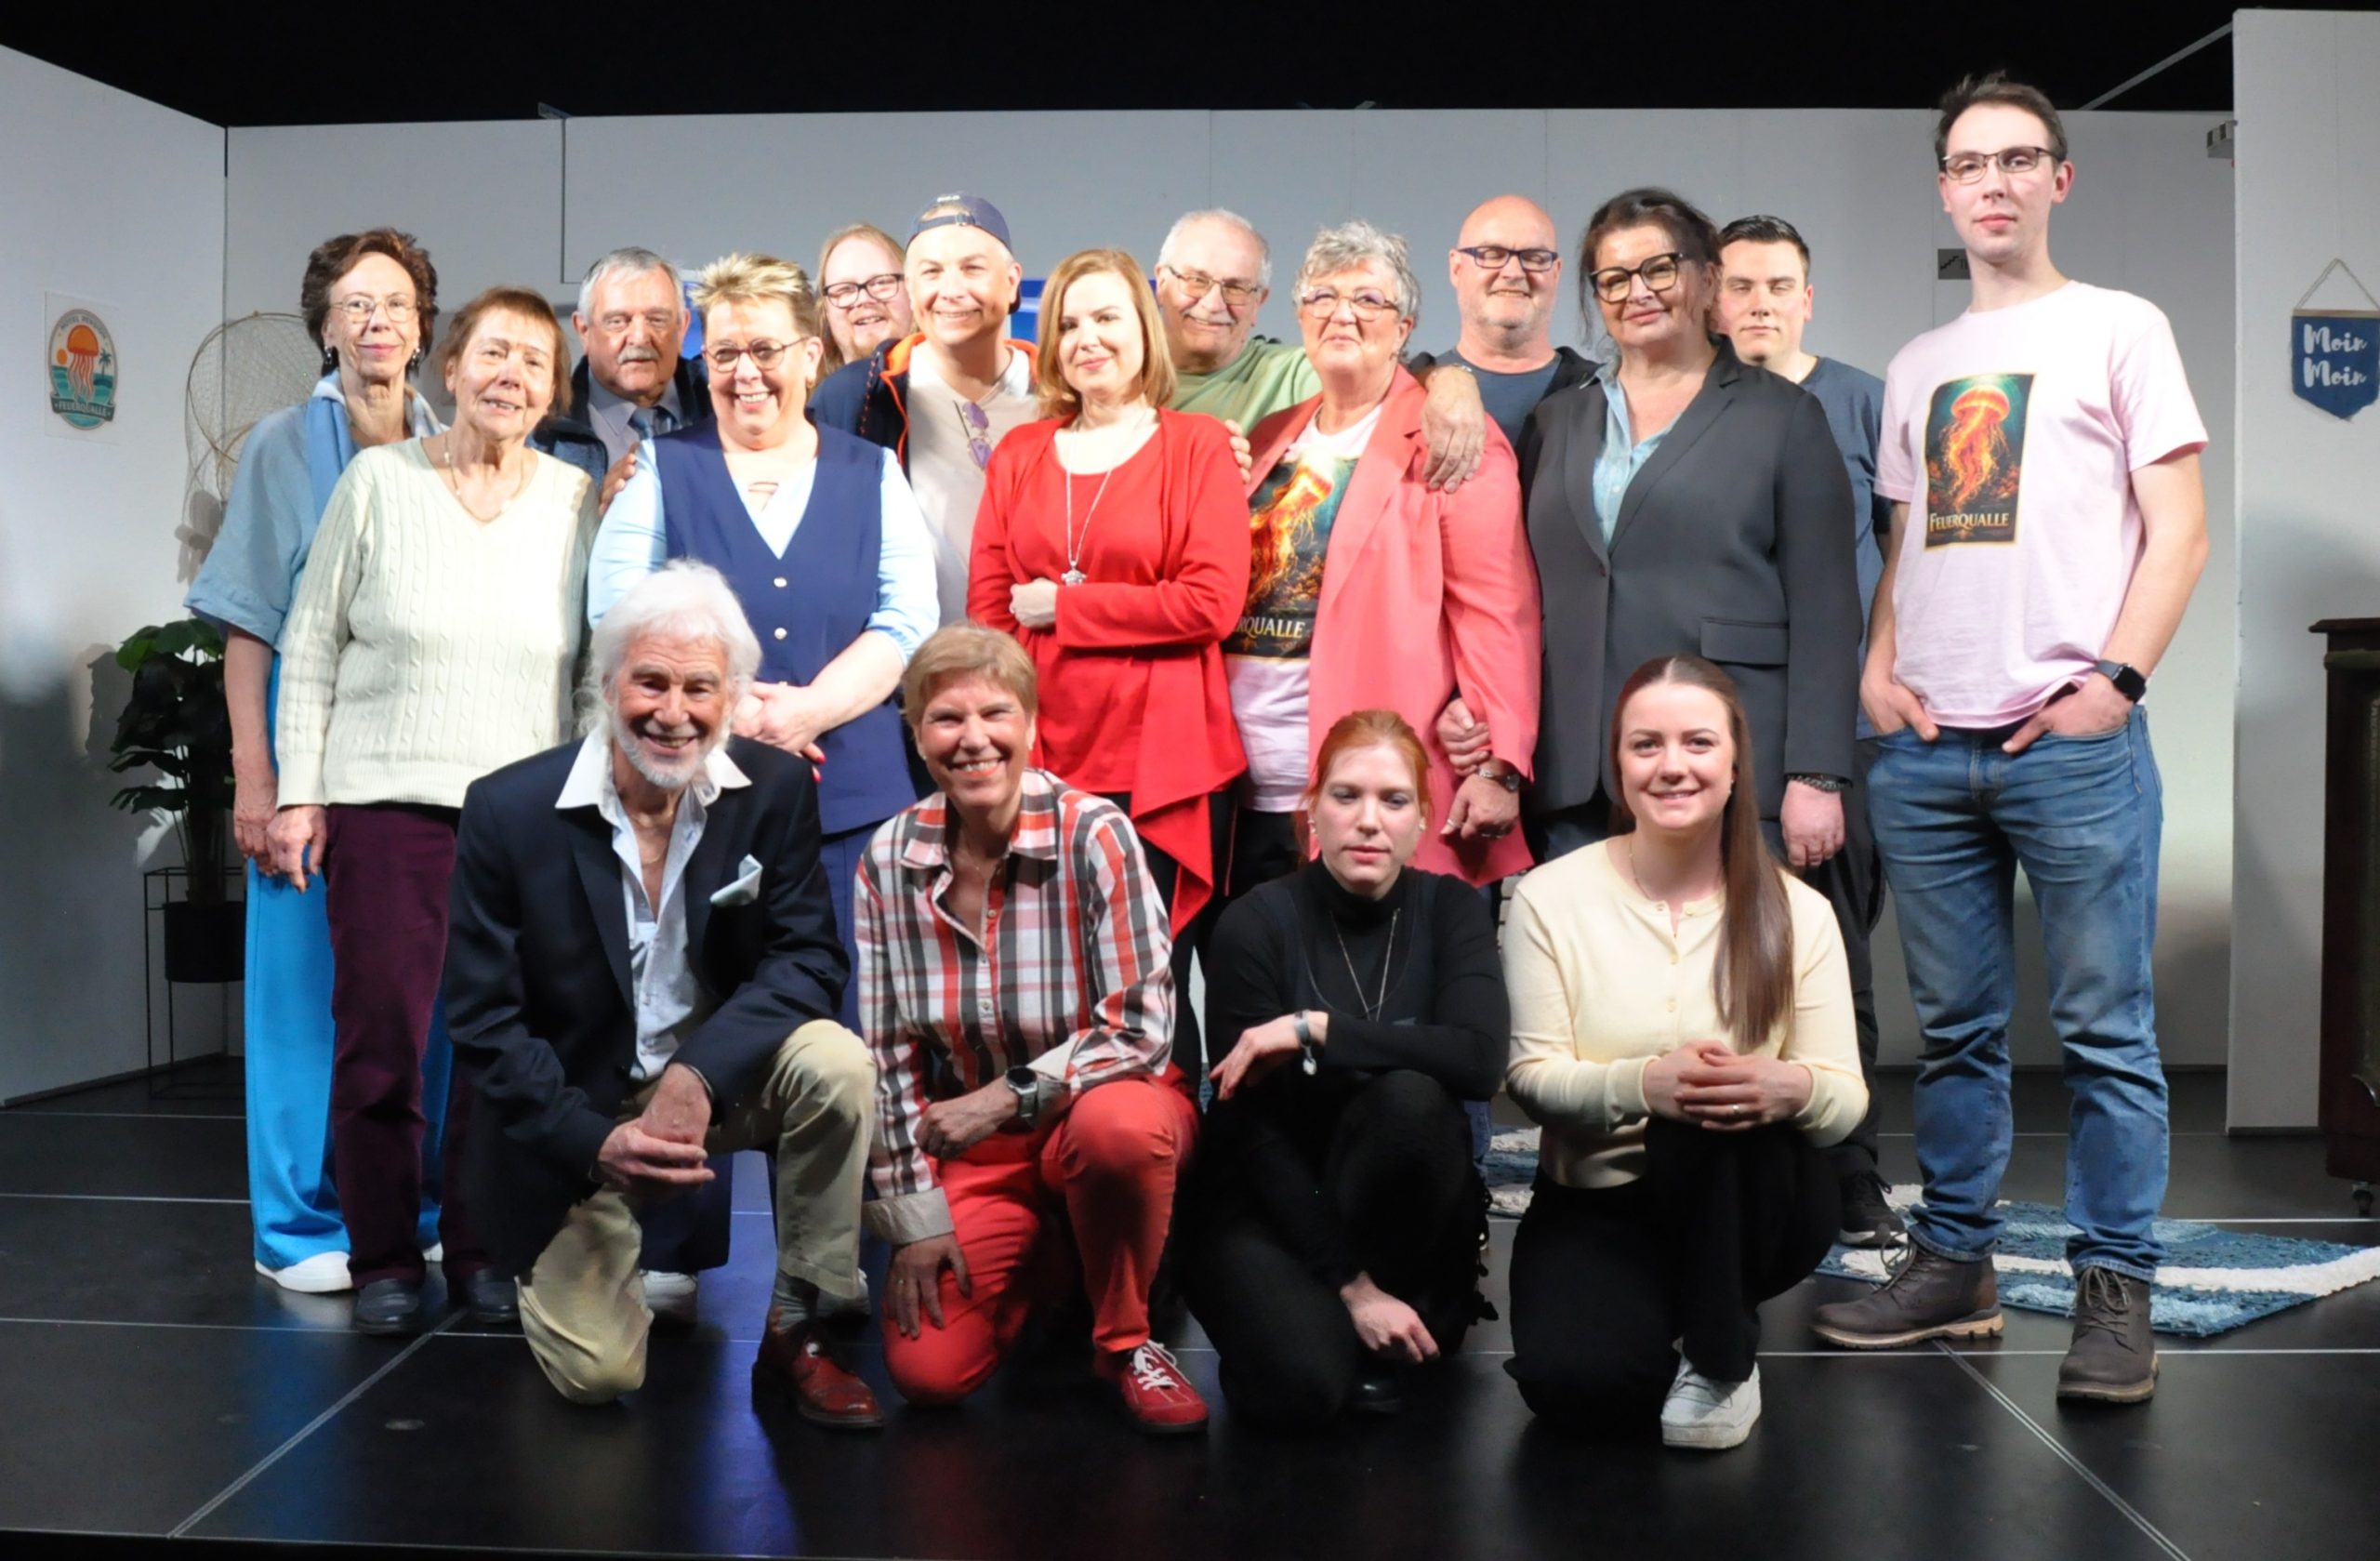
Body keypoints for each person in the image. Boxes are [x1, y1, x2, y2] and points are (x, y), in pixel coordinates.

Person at [1810, 73, 2209, 1407]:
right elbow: (1907, 539)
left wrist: (2117, 682)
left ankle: (2114, 1289)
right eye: (1971, 163)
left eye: (2018, 159)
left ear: (2058, 179)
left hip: (2072, 744)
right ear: (1945, 190)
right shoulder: (1919, 364)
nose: (1994, 182)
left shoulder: (2121, 327)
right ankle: (1956, 1265)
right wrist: (1878, 665)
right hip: (1929, 749)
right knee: (1957, 1032)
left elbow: (2180, 529)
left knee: (2104, 1032)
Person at [443, 562, 881, 1424]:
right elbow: (483, 1018)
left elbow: (807, 958)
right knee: (600, 1375)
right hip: (577, 1111)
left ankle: (801, 1320)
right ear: (607, 685)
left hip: (713, 1087)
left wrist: (698, 1073)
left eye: (699, 687)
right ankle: (588, 1259)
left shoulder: (774, 789)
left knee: (837, 1063)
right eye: (650, 681)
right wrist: (594, 1140)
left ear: (733, 697)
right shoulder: (507, 809)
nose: (673, 712)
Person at [268, 284, 601, 1336]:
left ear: (552, 393)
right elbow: (311, 642)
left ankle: (484, 1247)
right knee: (382, 1044)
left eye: (535, 363)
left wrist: (591, 803)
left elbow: (594, 670)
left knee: (502, 1050)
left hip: (527, 815)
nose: (511, 376)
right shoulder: (377, 481)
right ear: (448, 368)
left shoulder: (576, 500)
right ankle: (383, 1258)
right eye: (493, 353)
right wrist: (299, 790)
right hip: (387, 804)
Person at [1503, 655, 1866, 1449]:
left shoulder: (1798, 911)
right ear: (1619, 765)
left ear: (1735, 763)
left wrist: (1791, 1085)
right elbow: (1531, 1079)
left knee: (1704, 1113)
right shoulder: (1548, 897)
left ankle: (1721, 1353)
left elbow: (1845, 1100)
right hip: (1600, 1203)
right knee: (1575, 1386)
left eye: (1698, 742)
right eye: (1647, 745)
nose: (1673, 765)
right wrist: (1645, 1084)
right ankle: (1678, 1313)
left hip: (1754, 1201)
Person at [856, 626, 1207, 1434]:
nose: (973, 738)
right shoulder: (888, 858)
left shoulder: (1096, 833)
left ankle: (1127, 1338)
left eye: (995, 713)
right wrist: (916, 1217)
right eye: (946, 718)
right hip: (981, 1153)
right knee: (928, 1373)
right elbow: (885, 1055)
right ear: (917, 735)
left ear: (1032, 724)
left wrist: (1004, 1098)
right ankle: (1057, 1260)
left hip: (1107, 1107)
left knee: (1117, 1131)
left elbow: (1143, 1027)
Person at [186, 228, 446, 1294]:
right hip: (310, 769)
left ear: (424, 326)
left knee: (422, 1004)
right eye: (356, 304)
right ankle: (296, 1227)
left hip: (424, 768)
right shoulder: (283, 445)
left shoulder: (453, 443)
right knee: (303, 1003)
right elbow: (248, 627)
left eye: (396, 303)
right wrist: (257, 780)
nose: (378, 321)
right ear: (325, 327)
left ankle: (415, 1205)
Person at [591, 251, 935, 1020]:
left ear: (810, 356)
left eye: (765, 349)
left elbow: (908, 617)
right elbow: (617, 616)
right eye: (724, 354)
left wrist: (808, 711)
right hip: (700, 798)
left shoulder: (875, 471)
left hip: (858, 808)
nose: (745, 372)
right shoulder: (660, 468)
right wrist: (735, 711)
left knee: (859, 1028)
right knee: (716, 1030)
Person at [1516, 187, 1858, 880]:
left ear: (1706, 277)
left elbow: (1826, 611)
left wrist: (1816, 774)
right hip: (1578, 770)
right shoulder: (1558, 420)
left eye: (1659, 269)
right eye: (1613, 278)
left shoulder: (1784, 416)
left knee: (1728, 954)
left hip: (1729, 766)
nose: (1636, 292)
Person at [966, 246, 1248, 1056]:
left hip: (1160, 759)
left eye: (1107, 317)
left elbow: (1209, 603)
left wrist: (1067, 607)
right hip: (1041, 755)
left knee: (1151, 981)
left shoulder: (1196, 446)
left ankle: (1164, 1133)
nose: (1087, 337)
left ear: (1146, 329)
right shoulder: (1019, 453)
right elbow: (988, 615)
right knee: (1050, 983)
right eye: (1069, 323)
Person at [1185, 710, 1503, 1427]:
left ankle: (1383, 1306)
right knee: (1300, 1387)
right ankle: (1331, 1312)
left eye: (1393, 800)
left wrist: (1318, 1030)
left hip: (1401, 1216)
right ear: (1311, 809)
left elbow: (1480, 1061)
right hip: (1270, 1203)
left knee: (1412, 1101)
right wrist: (1351, 1287)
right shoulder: (1253, 922)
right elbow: (1251, 1133)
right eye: (1346, 795)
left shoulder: (1451, 910)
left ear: (1422, 820)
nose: (1368, 820)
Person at [1228, 220, 1541, 903]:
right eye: (1323, 296)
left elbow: (1498, 613)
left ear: (1404, 328)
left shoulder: (1447, 433)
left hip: (1376, 789)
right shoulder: (1271, 435)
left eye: (1368, 300)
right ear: (1299, 316)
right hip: (1247, 789)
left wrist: (1498, 764)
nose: (1342, 313)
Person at [1712, 212, 1902, 1250]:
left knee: (1834, 963)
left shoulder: (1862, 400)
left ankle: (1852, 1173)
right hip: (1718, 729)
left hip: (1838, 733)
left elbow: (1903, 553)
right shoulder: (1695, 403)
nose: (1759, 304)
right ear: (1712, 298)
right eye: (1740, 286)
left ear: (1808, 298)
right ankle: (1744, 1168)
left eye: (1778, 285)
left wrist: (1878, 678)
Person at [811, 193, 1038, 624]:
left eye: (972, 268)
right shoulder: (855, 398)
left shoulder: (1061, 394)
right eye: (932, 272)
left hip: (1044, 657)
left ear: (1012, 282)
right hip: (911, 661)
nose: (951, 291)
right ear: (912, 290)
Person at [1156, 206, 1488, 488]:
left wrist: (1454, 381)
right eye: (1196, 280)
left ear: (1259, 302)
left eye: (1236, 288)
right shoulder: (1128, 377)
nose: (1213, 303)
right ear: (1161, 282)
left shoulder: (1292, 372)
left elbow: (1386, 375)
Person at [1408, 195, 1596, 453]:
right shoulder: (1408, 389)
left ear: (1556, 273)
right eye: (1492, 255)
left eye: (1535, 258)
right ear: (1456, 268)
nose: (1513, 273)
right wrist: (1440, 376)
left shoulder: (1604, 395)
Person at [535, 247, 708, 488]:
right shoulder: (540, 428)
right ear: (584, 331)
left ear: (682, 328)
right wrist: (592, 507)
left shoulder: (725, 401)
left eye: (657, 320)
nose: (639, 337)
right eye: (617, 321)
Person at [815, 222, 914, 378]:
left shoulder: (951, 387)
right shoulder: (812, 394)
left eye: (881, 282)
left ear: (912, 291)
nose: (864, 299)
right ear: (825, 310)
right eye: (844, 289)